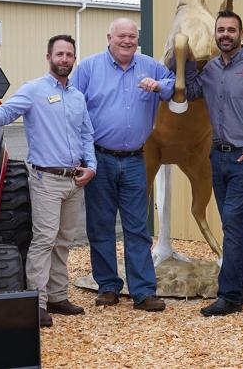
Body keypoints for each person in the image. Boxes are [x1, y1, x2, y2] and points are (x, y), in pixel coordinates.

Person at [0, 34, 96, 328]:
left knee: (64, 241)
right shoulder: (34, 90)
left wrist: (91, 165)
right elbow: (8, 110)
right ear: (48, 57)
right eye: (59, 54)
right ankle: (37, 303)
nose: (64, 59)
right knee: (44, 240)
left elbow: (86, 135)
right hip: (46, 180)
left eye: (69, 55)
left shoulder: (77, 97)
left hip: (74, 180)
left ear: (74, 59)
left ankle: (57, 296)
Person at [186, 10, 243, 316]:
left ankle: (230, 296)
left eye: (231, 29)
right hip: (218, 156)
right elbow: (189, 92)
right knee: (239, 225)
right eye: (221, 30)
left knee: (234, 226)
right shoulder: (211, 70)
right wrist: (185, 60)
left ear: (242, 34)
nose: (225, 34)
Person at [74, 17, 172, 312]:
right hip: (99, 157)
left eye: (132, 36)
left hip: (134, 159)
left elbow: (173, 86)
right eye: (122, 36)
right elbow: (72, 105)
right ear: (109, 37)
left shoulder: (150, 65)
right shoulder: (89, 68)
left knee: (137, 227)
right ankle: (108, 286)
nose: (128, 41)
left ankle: (143, 291)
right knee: (101, 225)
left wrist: (159, 86)